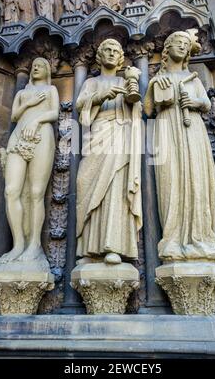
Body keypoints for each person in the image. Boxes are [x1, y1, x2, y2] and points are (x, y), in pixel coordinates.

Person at [144, 31, 215, 262]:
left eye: (185, 44)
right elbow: (147, 111)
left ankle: (200, 238)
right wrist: (151, 88)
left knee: (196, 178)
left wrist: (194, 101)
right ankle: (172, 239)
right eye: (177, 43)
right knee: (171, 181)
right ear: (167, 49)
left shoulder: (193, 78)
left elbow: (206, 104)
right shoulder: (158, 79)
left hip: (192, 130)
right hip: (166, 128)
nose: (181, 46)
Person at [76, 39, 142, 264]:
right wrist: (102, 96)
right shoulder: (92, 82)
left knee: (115, 187)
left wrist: (134, 94)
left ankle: (114, 246)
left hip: (120, 133)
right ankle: (89, 249)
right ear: (100, 56)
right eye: (108, 50)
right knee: (88, 184)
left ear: (121, 57)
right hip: (99, 132)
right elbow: (80, 105)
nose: (112, 54)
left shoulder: (124, 81)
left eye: (116, 51)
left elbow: (137, 111)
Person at [0, 57, 59, 263]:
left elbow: (54, 112)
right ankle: (18, 245)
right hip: (18, 138)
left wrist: (37, 119)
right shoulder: (22, 93)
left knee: (36, 193)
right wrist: (30, 104)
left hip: (42, 136)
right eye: (33, 66)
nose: (35, 68)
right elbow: (14, 116)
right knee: (11, 191)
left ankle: (34, 244)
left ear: (47, 71)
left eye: (40, 66)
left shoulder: (51, 90)